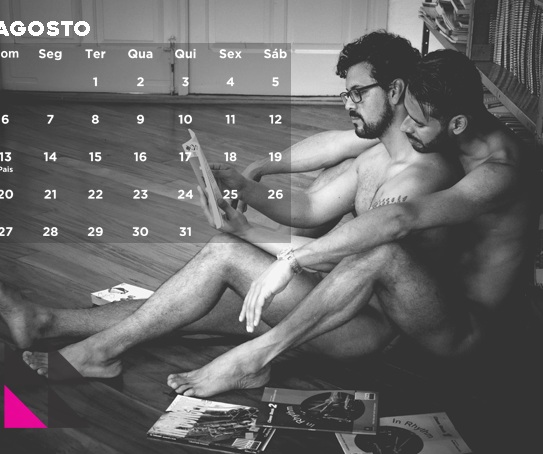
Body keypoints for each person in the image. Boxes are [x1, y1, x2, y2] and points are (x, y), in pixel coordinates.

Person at [0, 32, 459, 384]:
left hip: (361, 329)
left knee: (224, 254)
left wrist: (246, 235)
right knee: (185, 305)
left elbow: (343, 259)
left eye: (358, 94)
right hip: (330, 300)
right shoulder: (376, 155)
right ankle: (47, 322)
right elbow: (313, 207)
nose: (348, 105)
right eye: (346, 94)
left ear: (395, 91)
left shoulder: (422, 177)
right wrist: (246, 189)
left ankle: (97, 354)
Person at [165, 49, 537, 397]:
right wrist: (256, 171)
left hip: (463, 329)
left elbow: (400, 218)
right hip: (424, 298)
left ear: (457, 124)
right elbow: (337, 144)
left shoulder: (500, 171)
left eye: (416, 122)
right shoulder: (445, 125)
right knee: (349, 183)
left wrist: (293, 260)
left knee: (381, 251)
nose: (405, 127)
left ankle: (255, 358)